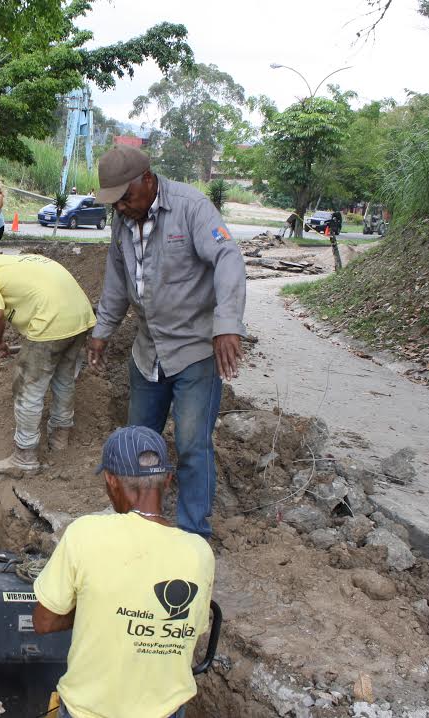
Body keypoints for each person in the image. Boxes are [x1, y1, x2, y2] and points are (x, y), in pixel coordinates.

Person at [87, 145, 246, 538]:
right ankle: (135, 527)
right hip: (147, 352)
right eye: (115, 203)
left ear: (147, 178)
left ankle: (193, 536)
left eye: (125, 197)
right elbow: (116, 279)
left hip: (193, 351)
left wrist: (227, 323)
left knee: (192, 445)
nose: (121, 208)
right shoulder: (122, 221)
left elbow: (228, 257)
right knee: (136, 443)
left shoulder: (191, 207)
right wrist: (102, 331)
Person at [34, 425, 215, 718]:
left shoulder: (86, 534)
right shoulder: (200, 553)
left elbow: (43, 622)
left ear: (111, 480)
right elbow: (188, 631)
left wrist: (98, 610)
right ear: (168, 479)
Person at [0, 243, 95, 473]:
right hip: (81, 317)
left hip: (50, 321)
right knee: (63, 378)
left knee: (28, 387)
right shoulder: (17, 262)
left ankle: (25, 456)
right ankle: (60, 438)